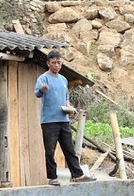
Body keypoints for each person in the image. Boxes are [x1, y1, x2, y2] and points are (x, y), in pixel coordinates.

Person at [35, 50, 96, 186]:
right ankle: (52, 177)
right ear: (48, 63)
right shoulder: (43, 79)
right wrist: (42, 89)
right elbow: (37, 93)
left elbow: (66, 97)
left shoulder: (63, 79)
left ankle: (77, 175)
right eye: (54, 63)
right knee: (50, 150)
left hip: (63, 119)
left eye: (59, 63)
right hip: (49, 121)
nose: (57, 65)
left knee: (69, 148)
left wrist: (69, 106)